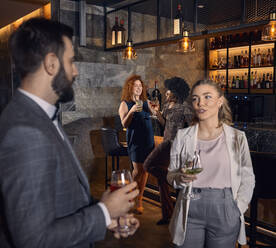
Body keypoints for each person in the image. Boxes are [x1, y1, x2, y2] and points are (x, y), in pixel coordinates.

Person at [0, 18, 139, 248]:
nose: (75, 71)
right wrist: (104, 212)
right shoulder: (24, 132)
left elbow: (61, 201)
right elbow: (33, 240)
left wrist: (103, 215)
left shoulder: (38, 117)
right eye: (71, 61)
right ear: (51, 64)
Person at [167, 79, 255, 248]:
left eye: (207, 97)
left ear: (220, 101)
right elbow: (171, 175)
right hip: (190, 208)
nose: (200, 103)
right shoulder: (182, 136)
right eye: (195, 98)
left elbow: (248, 177)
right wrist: (180, 177)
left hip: (225, 208)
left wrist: (238, 208)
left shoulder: (237, 138)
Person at [144, 77, 193, 225]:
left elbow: (192, 128)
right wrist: (157, 113)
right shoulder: (166, 106)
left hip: (175, 145)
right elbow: (164, 124)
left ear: (176, 92)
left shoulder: (185, 108)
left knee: (148, 165)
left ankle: (174, 182)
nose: (166, 93)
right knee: (160, 178)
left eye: (169, 91)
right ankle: (167, 215)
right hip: (166, 142)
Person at [118, 74, 154, 214]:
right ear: (130, 87)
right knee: (138, 170)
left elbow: (155, 115)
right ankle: (127, 196)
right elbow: (124, 124)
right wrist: (132, 111)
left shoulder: (145, 102)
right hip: (136, 141)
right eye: (136, 85)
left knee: (145, 171)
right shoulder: (124, 104)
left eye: (140, 86)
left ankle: (139, 200)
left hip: (148, 140)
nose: (139, 88)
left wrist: (155, 111)